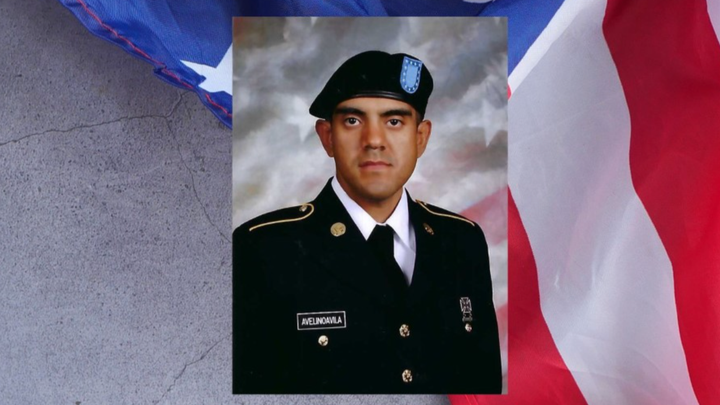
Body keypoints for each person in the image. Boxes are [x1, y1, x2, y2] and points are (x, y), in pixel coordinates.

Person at [233, 50, 501, 394]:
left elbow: (483, 388)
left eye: (394, 121)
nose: (374, 140)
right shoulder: (264, 250)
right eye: (352, 121)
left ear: (421, 138)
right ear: (327, 137)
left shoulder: (462, 241)